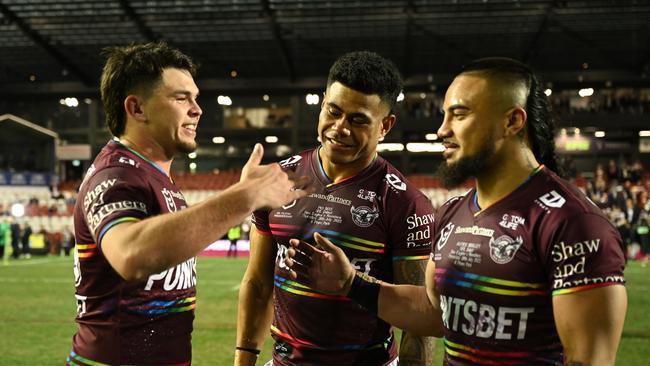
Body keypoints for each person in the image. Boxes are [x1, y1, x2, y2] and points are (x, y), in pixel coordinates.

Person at [286, 57, 627, 365]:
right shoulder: (452, 213)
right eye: (445, 115)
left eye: (459, 115)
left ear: (512, 121)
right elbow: (434, 312)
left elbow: (587, 359)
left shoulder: (572, 224)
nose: (442, 130)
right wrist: (350, 283)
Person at [66, 42, 311, 366]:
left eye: (195, 98)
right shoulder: (116, 175)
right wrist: (246, 195)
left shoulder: (155, 177)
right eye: (181, 98)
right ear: (137, 108)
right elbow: (130, 254)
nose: (197, 109)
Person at [236, 51, 435, 366]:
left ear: (385, 125)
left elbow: (419, 323)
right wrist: (243, 360)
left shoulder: (405, 203)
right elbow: (258, 283)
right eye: (333, 111)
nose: (340, 128)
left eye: (358, 120)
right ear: (323, 102)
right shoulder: (278, 180)